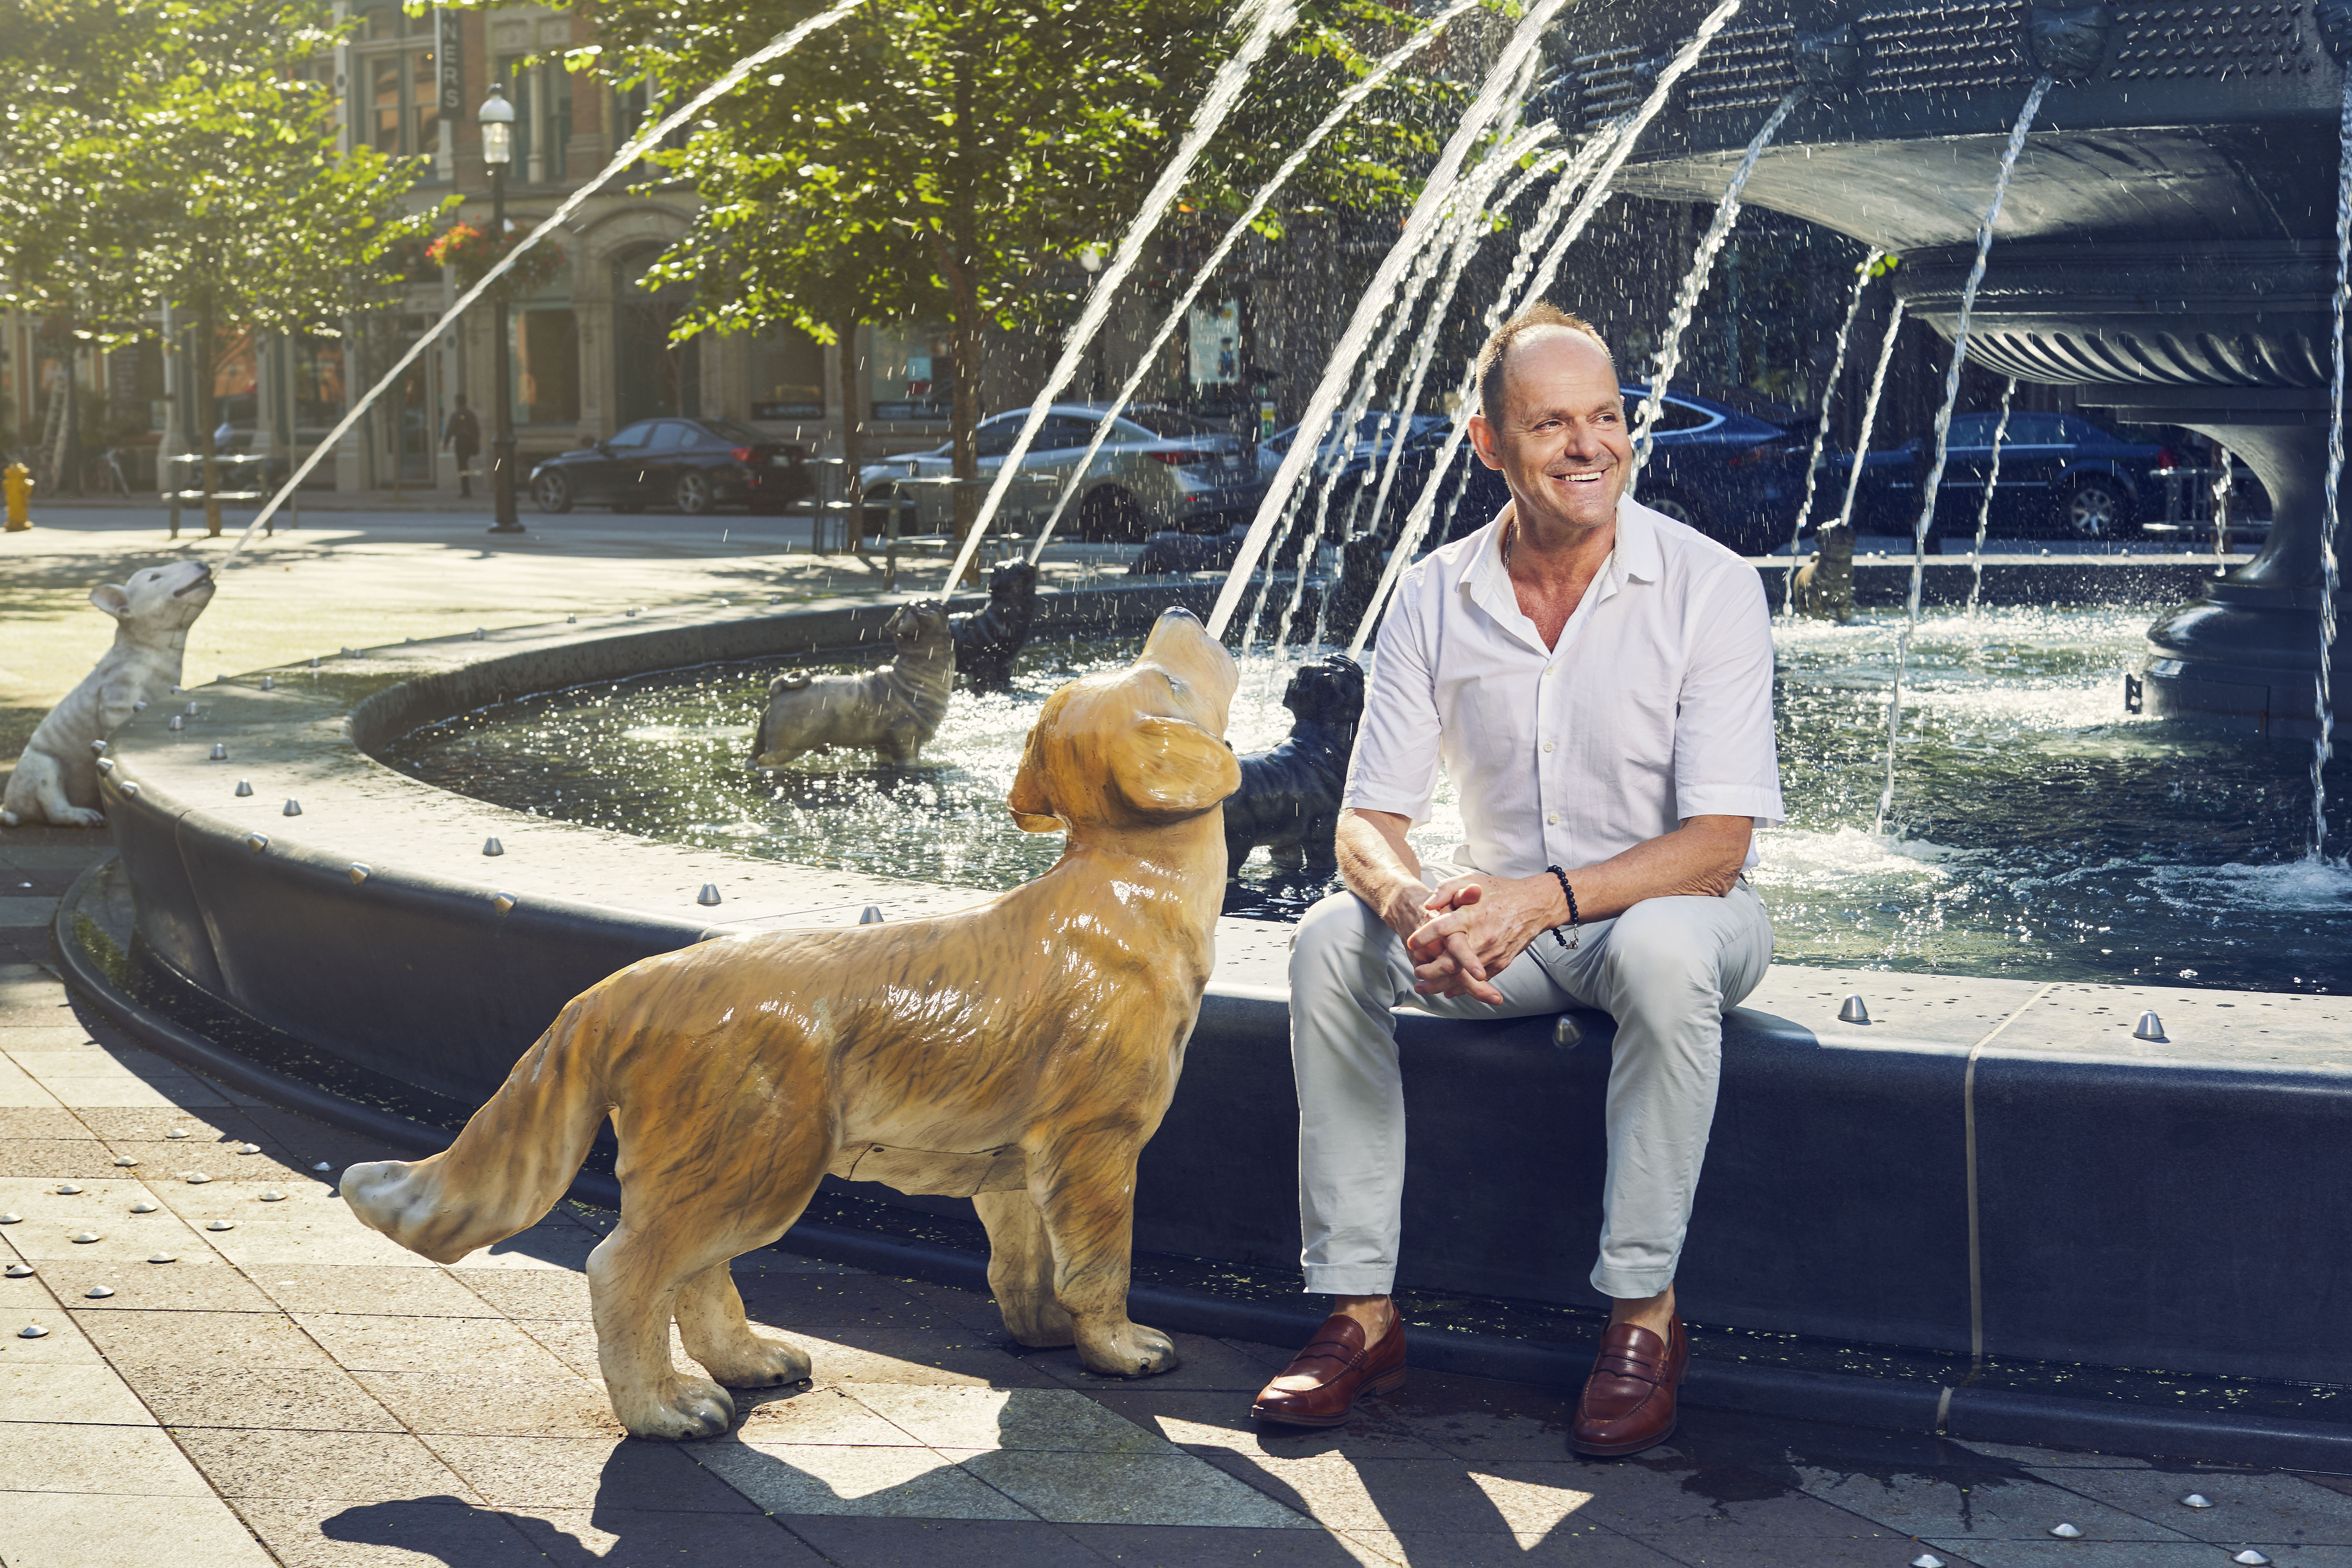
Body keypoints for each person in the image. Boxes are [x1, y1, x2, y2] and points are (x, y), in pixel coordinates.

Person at [1249, 303, 1781, 1458]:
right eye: (1552, 424)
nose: (1590, 446)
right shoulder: (1435, 594)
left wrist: (1534, 900)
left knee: (1662, 947)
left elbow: (1720, 846)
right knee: (1328, 945)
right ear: (1490, 444)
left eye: (1607, 418)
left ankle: (1644, 1318)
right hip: (1514, 930)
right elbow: (1369, 822)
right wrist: (1408, 906)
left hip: (1681, 914)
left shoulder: (1712, 587)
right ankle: (1359, 1311)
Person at [442, 394, 482, 499]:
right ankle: (466, 490)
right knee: (464, 465)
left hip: (461, 442)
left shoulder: (456, 415)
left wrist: (446, 444)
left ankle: (466, 491)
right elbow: (477, 429)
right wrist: (476, 440)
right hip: (470, 442)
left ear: (457, 403)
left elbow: (450, 430)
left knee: (462, 466)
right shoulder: (471, 415)